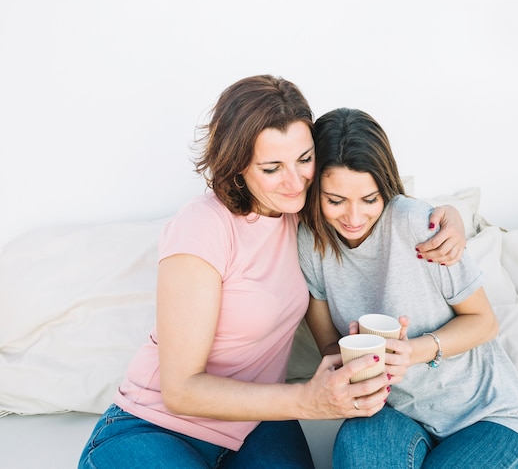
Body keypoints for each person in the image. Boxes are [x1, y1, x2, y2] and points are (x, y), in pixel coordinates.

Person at [78, 75, 467, 469]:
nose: (295, 181)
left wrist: (447, 218)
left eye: (304, 159)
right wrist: (309, 401)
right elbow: (180, 391)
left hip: (258, 426)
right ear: (238, 166)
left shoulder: (303, 212)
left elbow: (371, 197)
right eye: (271, 168)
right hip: (158, 425)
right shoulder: (203, 225)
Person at [298, 107, 518, 469]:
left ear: (385, 186)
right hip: (400, 417)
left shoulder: (417, 224)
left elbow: (484, 321)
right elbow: (328, 347)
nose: (353, 218)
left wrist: (413, 351)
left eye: (369, 199)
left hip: (488, 418)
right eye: (335, 201)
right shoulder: (312, 241)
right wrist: (353, 358)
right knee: (356, 443)